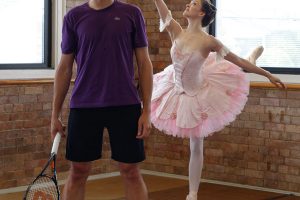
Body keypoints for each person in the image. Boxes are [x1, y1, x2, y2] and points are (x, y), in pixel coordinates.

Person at [150, 0, 286, 199]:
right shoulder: (176, 30)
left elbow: (235, 60)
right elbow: (163, 10)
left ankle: (192, 194)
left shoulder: (209, 41)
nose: (188, 4)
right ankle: (252, 59)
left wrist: (268, 74)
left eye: (193, 3)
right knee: (194, 142)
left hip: (200, 91)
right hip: (175, 87)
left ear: (202, 13)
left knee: (196, 144)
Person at [50, 0, 153, 199]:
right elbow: (64, 68)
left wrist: (147, 110)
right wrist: (55, 114)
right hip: (84, 106)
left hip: (126, 105)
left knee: (130, 171)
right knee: (78, 171)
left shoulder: (132, 13)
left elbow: (144, 63)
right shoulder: (74, 17)